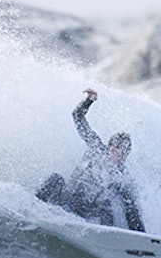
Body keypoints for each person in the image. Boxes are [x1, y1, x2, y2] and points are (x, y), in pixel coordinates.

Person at [36, 89, 145, 232]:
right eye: (120, 150)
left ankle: (138, 238)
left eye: (126, 152)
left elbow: (131, 207)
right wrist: (89, 100)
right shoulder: (96, 147)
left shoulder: (121, 174)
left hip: (88, 211)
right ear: (110, 147)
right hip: (67, 201)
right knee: (55, 179)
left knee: (119, 201)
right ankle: (30, 210)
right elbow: (77, 116)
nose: (122, 156)